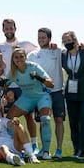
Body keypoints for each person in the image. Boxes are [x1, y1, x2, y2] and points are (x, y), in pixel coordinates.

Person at [0, 18, 39, 154]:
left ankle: (34, 144)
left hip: (23, 86)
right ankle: (11, 143)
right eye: (6, 28)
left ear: (15, 28)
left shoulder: (24, 43)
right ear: (3, 30)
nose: (9, 30)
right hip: (8, 86)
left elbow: (38, 52)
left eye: (11, 28)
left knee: (28, 116)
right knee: (6, 117)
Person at [5, 47, 54, 160]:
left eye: (21, 56)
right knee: (8, 121)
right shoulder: (13, 72)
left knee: (45, 119)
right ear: (13, 60)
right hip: (27, 97)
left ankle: (45, 151)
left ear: (25, 57)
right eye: (16, 57)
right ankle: (18, 147)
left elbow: (51, 84)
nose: (19, 59)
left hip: (42, 96)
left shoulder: (33, 66)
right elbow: (4, 86)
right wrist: (4, 85)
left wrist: (38, 77)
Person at [27, 28, 65, 159]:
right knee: (44, 120)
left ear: (49, 38)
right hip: (41, 93)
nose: (41, 39)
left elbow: (72, 53)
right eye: (39, 37)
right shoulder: (32, 55)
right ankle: (45, 148)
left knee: (59, 120)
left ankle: (59, 149)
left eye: (43, 37)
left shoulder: (57, 51)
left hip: (57, 91)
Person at [61, 31, 84, 159]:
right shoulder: (63, 55)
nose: (66, 42)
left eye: (68, 40)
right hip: (71, 90)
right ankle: (76, 148)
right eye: (64, 41)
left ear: (75, 40)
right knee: (73, 121)